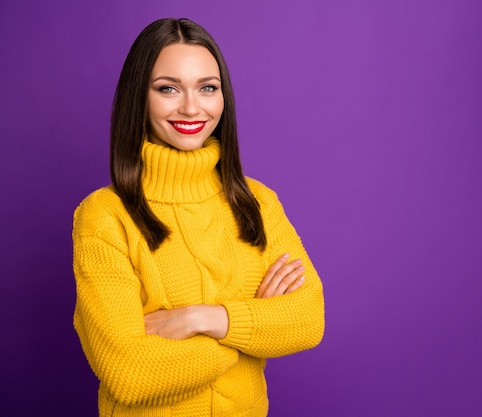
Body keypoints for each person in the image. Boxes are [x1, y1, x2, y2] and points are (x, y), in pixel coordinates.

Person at [72, 17, 325, 417]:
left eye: (207, 87)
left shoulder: (257, 201)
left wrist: (201, 319)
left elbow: (308, 319)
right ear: (139, 96)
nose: (191, 107)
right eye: (168, 89)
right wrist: (245, 332)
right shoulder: (104, 217)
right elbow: (128, 372)